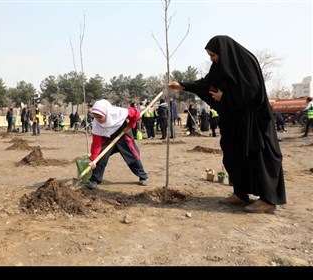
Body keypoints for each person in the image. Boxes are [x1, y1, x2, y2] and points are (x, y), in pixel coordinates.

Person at [168, 35, 286, 213]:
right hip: (234, 121)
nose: (212, 59)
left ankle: (268, 199)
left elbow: (252, 91)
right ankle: (240, 193)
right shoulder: (219, 68)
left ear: (224, 51)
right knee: (233, 156)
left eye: (213, 55)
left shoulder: (246, 62)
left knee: (259, 158)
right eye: (210, 56)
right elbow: (207, 83)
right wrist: (182, 85)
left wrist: (225, 97)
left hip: (253, 122)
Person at [86, 99, 149, 190]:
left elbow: (136, 113)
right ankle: (94, 180)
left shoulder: (119, 112)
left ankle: (143, 176)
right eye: (95, 117)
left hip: (123, 134)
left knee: (132, 156)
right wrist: (93, 159)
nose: (98, 120)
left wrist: (130, 126)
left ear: (106, 114)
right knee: (100, 156)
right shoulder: (96, 125)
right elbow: (96, 143)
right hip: (107, 138)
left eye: (100, 117)